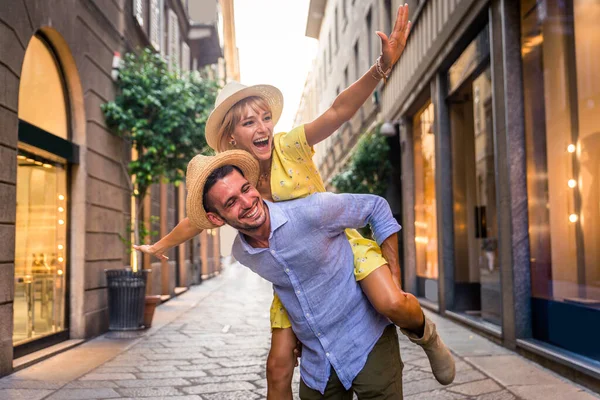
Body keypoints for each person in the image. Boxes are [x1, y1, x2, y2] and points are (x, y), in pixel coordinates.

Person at [135, 4, 454, 398]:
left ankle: (429, 337)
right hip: (291, 275)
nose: (263, 127)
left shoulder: (291, 144)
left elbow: (339, 110)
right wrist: (159, 245)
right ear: (232, 137)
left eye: (265, 118)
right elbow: (197, 218)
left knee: (392, 302)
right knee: (276, 366)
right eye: (249, 122)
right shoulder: (237, 177)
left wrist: (381, 68)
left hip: (338, 246)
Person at [186, 150, 409, 397]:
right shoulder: (242, 253)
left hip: (367, 339)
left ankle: (425, 335)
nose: (247, 202)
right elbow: (288, 282)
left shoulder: (311, 211)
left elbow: (376, 207)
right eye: (231, 202)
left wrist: (394, 278)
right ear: (215, 218)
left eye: (246, 189)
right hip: (317, 365)